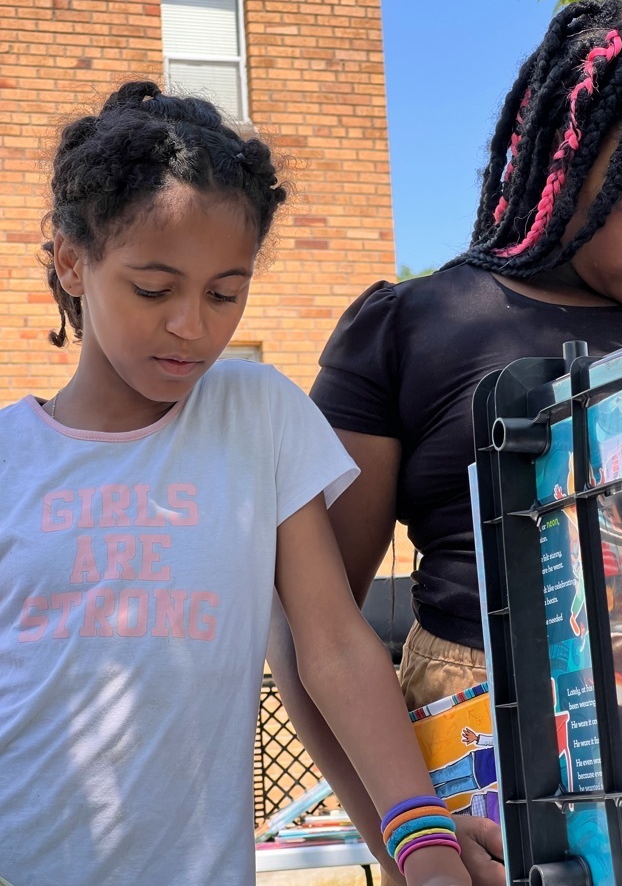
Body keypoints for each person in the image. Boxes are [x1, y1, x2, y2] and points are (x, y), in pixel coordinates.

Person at [267, 0, 622, 886]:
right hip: (494, 822)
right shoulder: (415, 328)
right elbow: (309, 628)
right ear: (564, 164)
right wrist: (413, 843)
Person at [0, 81, 473, 886]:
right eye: (154, 289)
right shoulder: (11, 457)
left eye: (227, 291)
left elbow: (330, 645)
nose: (193, 324)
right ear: (72, 263)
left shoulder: (258, 413)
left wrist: (420, 837)